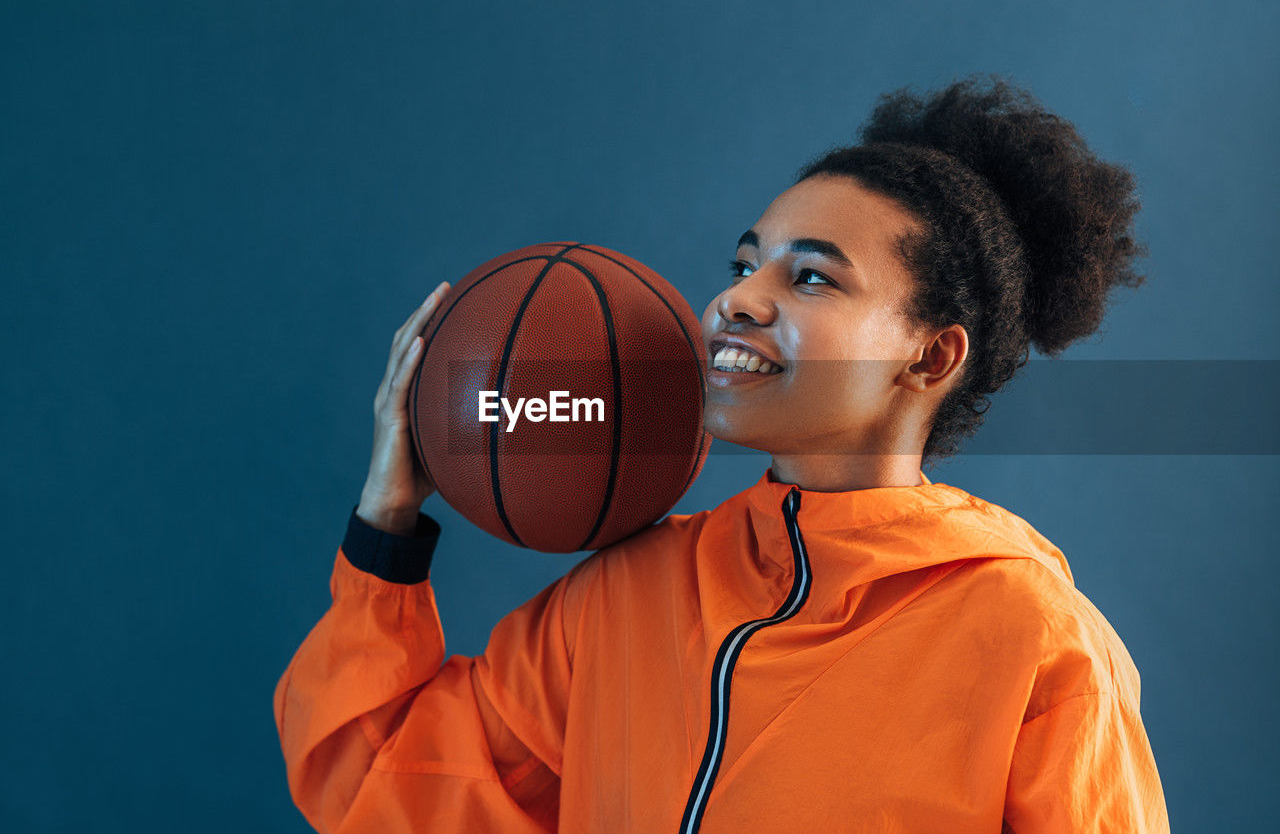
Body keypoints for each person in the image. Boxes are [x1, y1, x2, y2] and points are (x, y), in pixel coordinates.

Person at [274, 74, 1171, 832]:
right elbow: (378, 791)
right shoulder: (624, 598)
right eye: (747, 263)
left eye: (811, 275)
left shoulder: (1032, 637)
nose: (737, 299)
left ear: (930, 356)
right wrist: (385, 527)